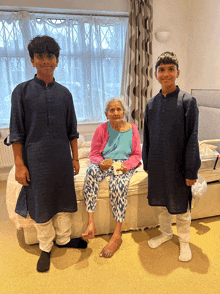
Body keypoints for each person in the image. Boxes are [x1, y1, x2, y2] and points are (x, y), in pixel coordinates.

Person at [6, 35, 87, 272]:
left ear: (57, 61)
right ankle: (45, 246)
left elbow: (72, 130)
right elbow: (16, 132)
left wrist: (74, 157)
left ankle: (63, 240)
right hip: (36, 160)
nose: (45, 60)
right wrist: (20, 165)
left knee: (62, 201)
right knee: (41, 204)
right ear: (32, 60)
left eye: (50, 56)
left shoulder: (65, 93)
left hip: (62, 160)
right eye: (40, 56)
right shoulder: (21, 92)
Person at [142, 52, 201, 262]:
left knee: (181, 207)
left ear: (177, 72)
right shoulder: (150, 104)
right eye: (161, 70)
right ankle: (166, 233)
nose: (166, 74)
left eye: (170, 69)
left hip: (178, 165)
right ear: (155, 74)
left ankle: (184, 241)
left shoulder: (187, 101)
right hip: (157, 165)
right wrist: (147, 162)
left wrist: (191, 170)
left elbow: (192, 137)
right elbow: (146, 136)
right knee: (161, 204)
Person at [82, 98, 141, 258]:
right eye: (112, 110)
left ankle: (116, 234)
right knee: (91, 173)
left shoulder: (133, 129)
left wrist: (127, 166)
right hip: (106, 162)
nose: (115, 113)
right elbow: (93, 153)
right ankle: (91, 223)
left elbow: (137, 154)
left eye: (119, 109)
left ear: (123, 112)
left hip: (124, 163)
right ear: (106, 114)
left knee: (118, 185)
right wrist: (100, 163)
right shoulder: (101, 129)